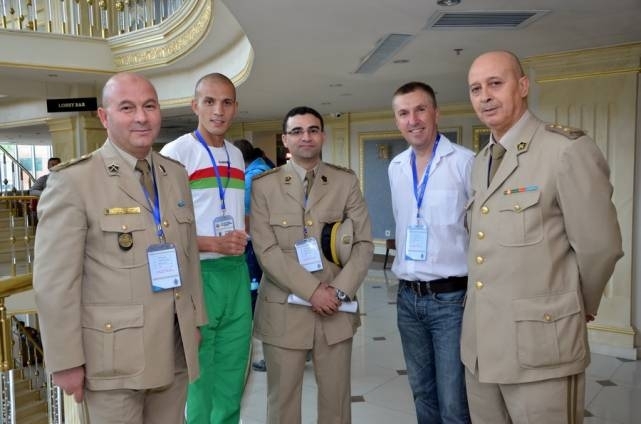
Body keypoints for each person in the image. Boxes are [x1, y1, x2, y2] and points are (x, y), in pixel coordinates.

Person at [32, 72, 206, 424]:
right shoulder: (74, 181)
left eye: (149, 106)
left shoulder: (175, 174)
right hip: (113, 360)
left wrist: (195, 321)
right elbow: (55, 282)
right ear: (104, 116)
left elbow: (188, 257)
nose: (141, 117)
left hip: (174, 345)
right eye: (127, 108)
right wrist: (66, 361)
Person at [462, 50, 623, 423]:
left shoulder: (565, 150)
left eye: (495, 83)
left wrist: (577, 305)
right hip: (481, 348)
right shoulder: (480, 161)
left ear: (522, 86)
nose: (485, 96)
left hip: (542, 346)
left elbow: (600, 247)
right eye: (475, 88)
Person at [250, 106, 373, 424]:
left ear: (323, 136)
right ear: (285, 140)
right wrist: (313, 291)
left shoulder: (345, 181)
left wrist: (339, 291)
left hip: (335, 309)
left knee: (336, 404)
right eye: (297, 131)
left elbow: (363, 244)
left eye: (313, 130)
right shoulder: (264, 185)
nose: (306, 136)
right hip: (284, 312)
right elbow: (266, 250)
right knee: (283, 404)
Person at [160, 73, 252, 424]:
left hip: (236, 271)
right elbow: (161, 229)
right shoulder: (177, 153)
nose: (218, 110)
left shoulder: (236, 155)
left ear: (235, 108)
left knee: (233, 370)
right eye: (209, 101)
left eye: (226, 102)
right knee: (200, 375)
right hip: (198, 273)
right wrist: (213, 243)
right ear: (194, 105)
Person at [388, 82, 473, 424]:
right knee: (422, 391)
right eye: (404, 113)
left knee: (453, 399)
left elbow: (481, 232)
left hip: (451, 300)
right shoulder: (396, 166)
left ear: (436, 112)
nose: (413, 120)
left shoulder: (465, 162)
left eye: (420, 109)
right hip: (407, 299)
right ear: (397, 121)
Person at [232, 138, 273, 373]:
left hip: (257, 245)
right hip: (272, 244)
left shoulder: (250, 179)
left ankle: (269, 354)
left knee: (259, 298)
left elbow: (246, 217)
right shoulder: (266, 168)